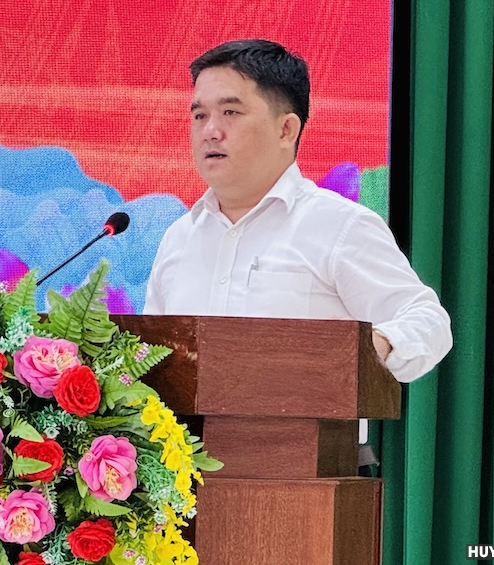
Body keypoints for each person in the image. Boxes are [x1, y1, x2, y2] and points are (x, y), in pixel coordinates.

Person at [145, 39, 452, 385]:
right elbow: (146, 362)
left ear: (286, 129)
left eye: (230, 112)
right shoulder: (179, 238)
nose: (210, 132)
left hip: (312, 420)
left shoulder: (339, 225)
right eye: (200, 115)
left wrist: (369, 348)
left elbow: (428, 320)